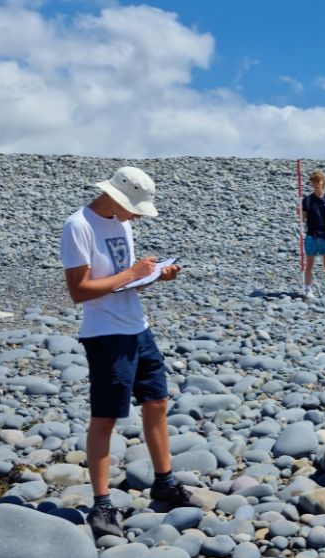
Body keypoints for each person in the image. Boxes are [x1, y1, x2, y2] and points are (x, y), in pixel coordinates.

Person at [60, 166, 200, 538]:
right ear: (117, 198)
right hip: (105, 334)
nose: (138, 214)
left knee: (156, 402)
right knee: (106, 418)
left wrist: (154, 275)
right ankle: (102, 505)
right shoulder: (79, 226)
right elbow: (79, 291)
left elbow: (125, 282)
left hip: (138, 326)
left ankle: (165, 482)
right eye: (135, 207)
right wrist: (133, 273)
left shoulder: (122, 222)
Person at [300, 170, 325, 300]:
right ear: (311, 184)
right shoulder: (308, 199)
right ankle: (307, 289)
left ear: (323, 182)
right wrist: (299, 212)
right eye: (314, 182)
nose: (316, 184)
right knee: (309, 264)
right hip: (311, 236)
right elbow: (302, 219)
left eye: (318, 181)